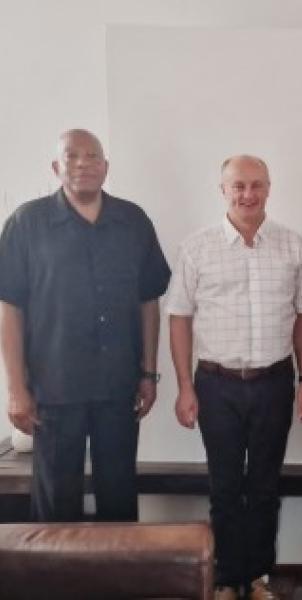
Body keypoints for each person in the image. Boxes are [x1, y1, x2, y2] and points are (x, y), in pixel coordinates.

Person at [165, 155, 302, 600]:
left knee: (265, 486)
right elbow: (179, 317)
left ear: (269, 188)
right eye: (238, 186)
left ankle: (257, 577)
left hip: (274, 383)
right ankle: (227, 579)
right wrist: (185, 387)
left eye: (256, 185)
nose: (248, 194)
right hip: (216, 385)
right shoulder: (197, 247)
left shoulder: (293, 245)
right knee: (225, 487)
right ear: (223, 190)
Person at [0, 129, 171, 522]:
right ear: (56, 167)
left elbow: (149, 301)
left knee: (119, 497)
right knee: (56, 505)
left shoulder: (133, 221)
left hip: (119, 387)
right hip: (54, 389)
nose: (83, 164)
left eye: (92, 156)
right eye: (72, 156)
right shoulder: (27, 223)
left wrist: (149, 373)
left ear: (105, 167)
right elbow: (10, 308)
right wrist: (16, 389)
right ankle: (56, 567)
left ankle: (121, 565)